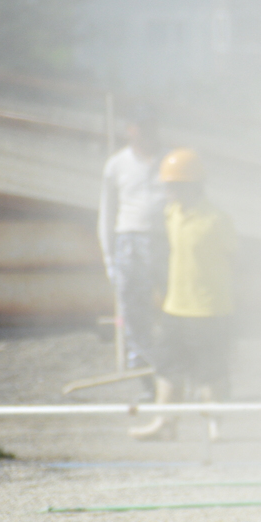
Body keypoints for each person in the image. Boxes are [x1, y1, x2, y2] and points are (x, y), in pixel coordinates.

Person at [129, 149, 236, 441]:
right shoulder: (170, 214)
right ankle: (165, 423)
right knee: (166, 368)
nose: (168, 191)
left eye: (172, 185)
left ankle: (216, 426)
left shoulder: (216, 219)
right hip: (175, 307)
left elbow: (235, 258)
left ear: (191, 185)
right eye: (167, 185)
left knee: (210, 373)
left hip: (210, 309)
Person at [97, 106, 166, 389]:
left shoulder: (169, 160)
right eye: (139, 126)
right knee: (133, 309)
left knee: (169, 306)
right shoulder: (117, 165)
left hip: (164, 241)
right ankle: (144, 370)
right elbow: (106, 212)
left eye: (150, 125)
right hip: (129, 242)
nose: (145, 132)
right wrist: (109, 258)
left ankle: (172, 366)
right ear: (130, 131)